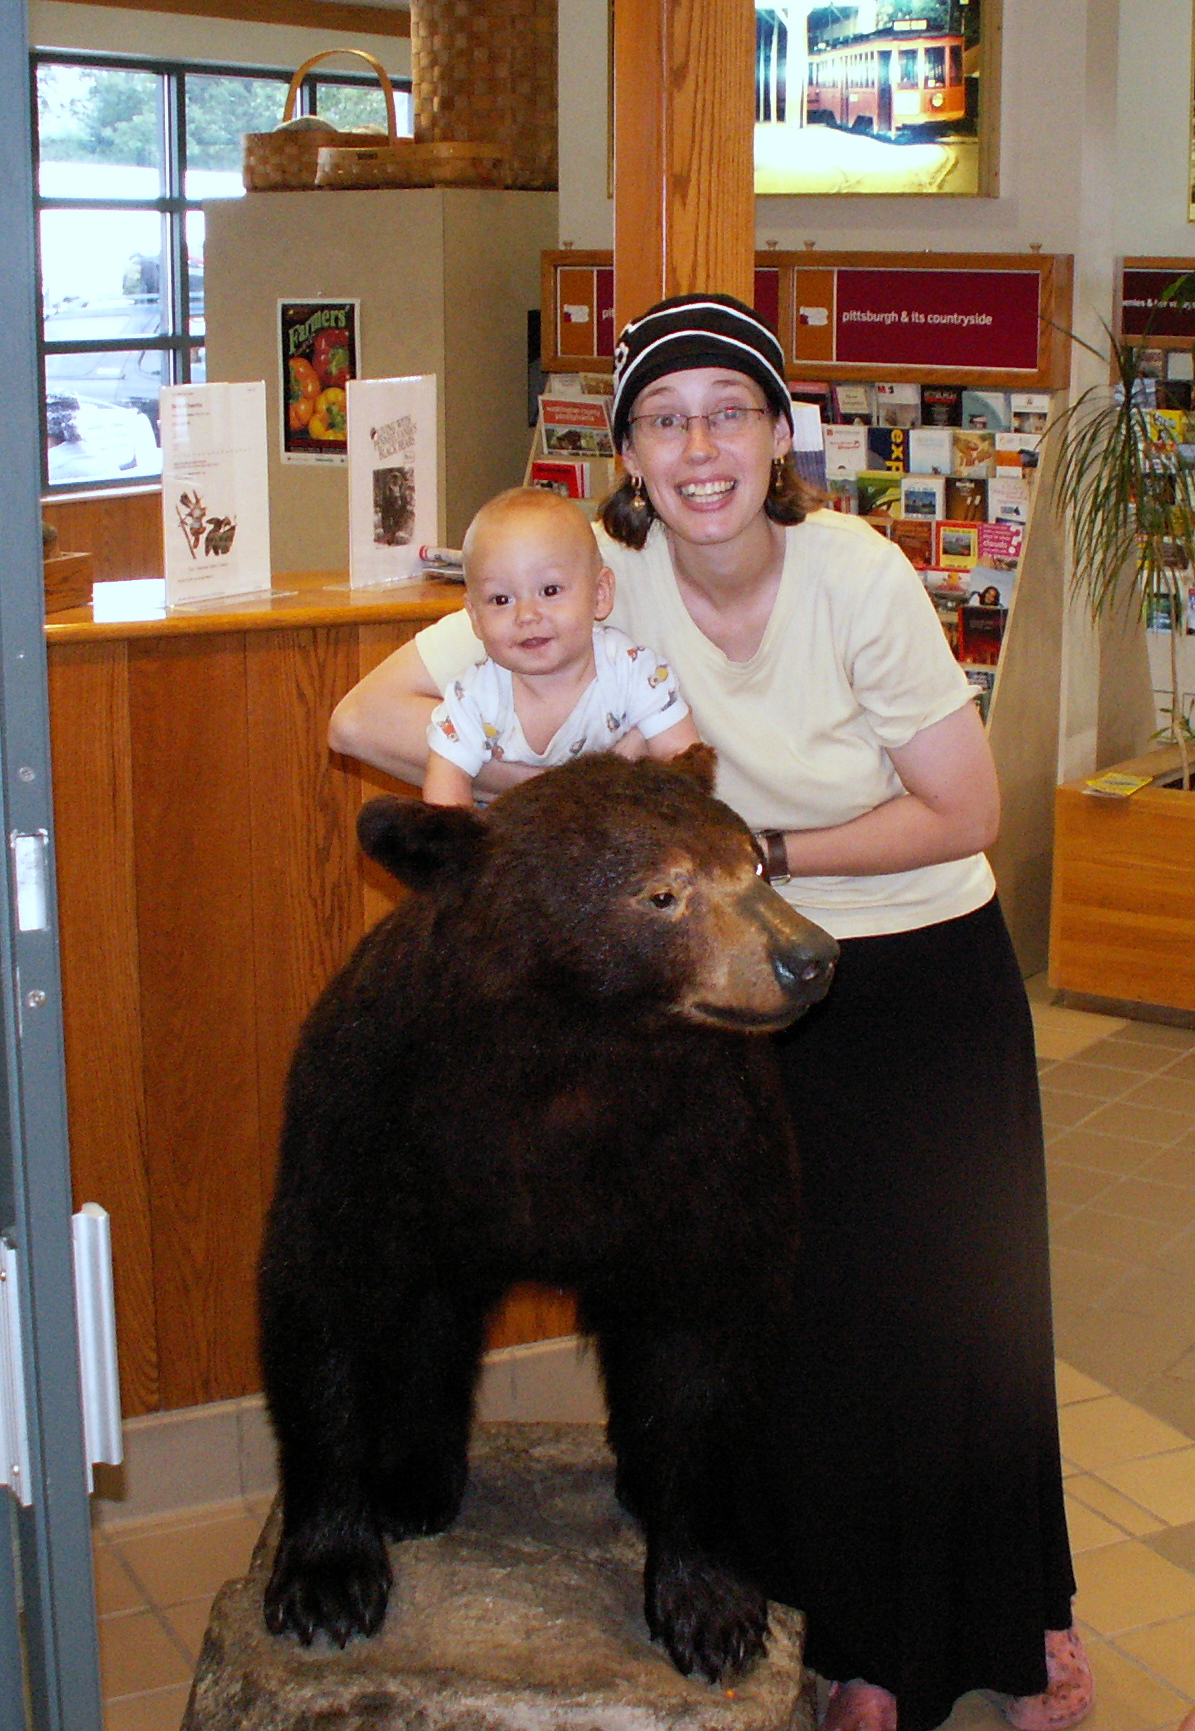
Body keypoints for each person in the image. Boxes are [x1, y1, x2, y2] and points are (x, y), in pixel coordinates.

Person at [327, 293, 1091, 1731]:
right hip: (720, 987)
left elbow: (964, 809)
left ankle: (1000, 1614)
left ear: (778, 432)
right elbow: (363, 716)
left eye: (727, 413)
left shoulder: (855, 573)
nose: (698, 449)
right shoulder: (591, 577)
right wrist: (581, 819)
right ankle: (842, 1630)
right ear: (623, 454)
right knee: (777, 1310)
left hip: (911, 962)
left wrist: (745, 854)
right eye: (663, 421)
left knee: (948, 1303)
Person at [422, 486, 698, 807]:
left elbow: (683, 763)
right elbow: (446, 797)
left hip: (620, 829)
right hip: (509, 835)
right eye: (501, 599)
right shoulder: (472, 697)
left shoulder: (632, 672)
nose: (526, 615)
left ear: (600, 593)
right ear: (475, 617)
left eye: (550, 591)